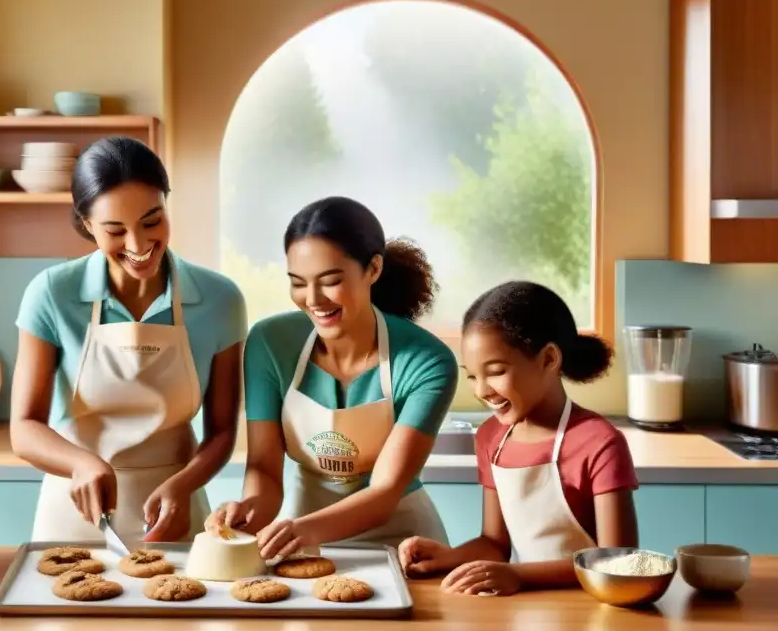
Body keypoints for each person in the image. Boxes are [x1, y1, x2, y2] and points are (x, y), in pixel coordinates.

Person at [10, 137, 247, 545]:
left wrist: (182, 486)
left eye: (152, 221)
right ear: (86, 224)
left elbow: (222, 432)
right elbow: (24, 427)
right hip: (74, 512)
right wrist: (82, 464)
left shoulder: (220, 300)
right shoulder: (51, 293)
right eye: (115, 230)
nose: (138, 246)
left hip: (177, 511)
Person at [207, 196, 458, 559]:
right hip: (303, 539)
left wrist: (302, 530)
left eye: (330, 281)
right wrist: (247, 511)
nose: (312, 299)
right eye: (298, 283)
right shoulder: (270, 343)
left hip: (404, 544)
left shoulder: (427, 361)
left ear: (373, 269)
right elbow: (263, 468)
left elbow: (385, 492)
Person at [399, 281, 639, 595]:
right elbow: (495, 544)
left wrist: (519, 576)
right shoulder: (490, 438)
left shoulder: (599, 443)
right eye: (472, 376)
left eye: (496, 371)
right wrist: (448, 556)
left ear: (549, 359)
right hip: (524, 611)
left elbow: (616, 561)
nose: (482, 390)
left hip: (590, 613)